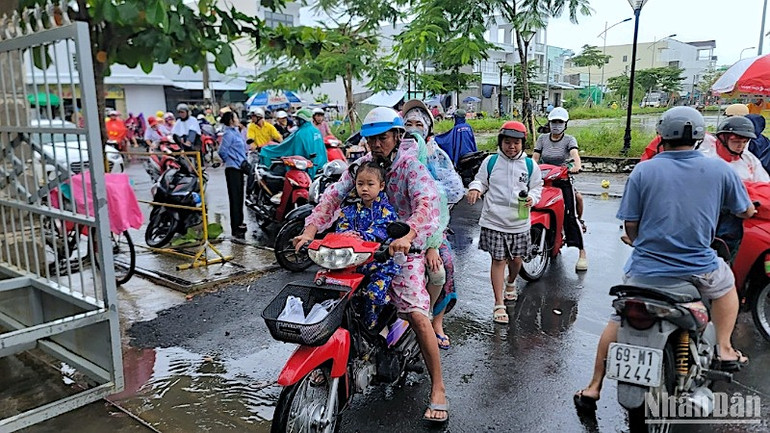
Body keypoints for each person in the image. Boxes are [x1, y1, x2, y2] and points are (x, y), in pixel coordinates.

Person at [574, 106, 756, 414]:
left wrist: (637, 239)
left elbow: (630, 225)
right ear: (700, 137)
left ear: (662, 135)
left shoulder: (644, 170)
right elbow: (744, 210)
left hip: (644, 269)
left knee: (616, 321)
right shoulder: (720, 170)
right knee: (727, 288)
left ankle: (593, 386)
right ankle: (724, 348)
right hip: (698, 266)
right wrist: (748, 210)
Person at [292, 107, 448, 423]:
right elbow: (332, 198)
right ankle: (333, 358)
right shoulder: (359, 168)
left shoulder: (410, 168)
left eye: (383, 137)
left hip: (403, 250)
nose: (377, 144)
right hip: (361, 250)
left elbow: (427, 203)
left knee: (417, 315)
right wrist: (309, 230)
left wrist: (409, 232)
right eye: (371, 139)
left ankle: (439, 389)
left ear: (396, 137)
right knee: (332, 297)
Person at [466, 121, 544, 324]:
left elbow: (537, 187)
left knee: (517, 259)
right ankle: (498, 303)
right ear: (501, 143)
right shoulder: (491, 162)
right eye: (507, 142)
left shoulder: (530, 165)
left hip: (519, 222)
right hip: (494, 221)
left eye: (516, 143)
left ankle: (511, 282)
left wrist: (533, 199)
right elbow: (481, 180)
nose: (511, 147)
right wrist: (475, 188)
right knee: (498, 261)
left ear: (522, 144)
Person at [403, 99, 465, 350]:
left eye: (419, 124)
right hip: (395, 227)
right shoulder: (393, 153)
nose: (413, 129)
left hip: (431, 229)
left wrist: (433, 243)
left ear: (428, 128)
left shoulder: (436, 155)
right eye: (408, 124)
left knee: (443, 266)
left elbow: (448, 194)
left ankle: (435, 321)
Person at [336, 162, 400, 329]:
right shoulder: (350, 209)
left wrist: (360, 236)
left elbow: (381, 230)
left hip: (380, 265)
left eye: (370, 184)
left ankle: (372, 329)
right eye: (360, 184)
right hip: (353, 263)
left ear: (381, 186)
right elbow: (342, 227)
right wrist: (345, 235)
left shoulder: (386, 210)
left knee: (372, 295)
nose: (365, 188)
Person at [533, 107, 588, 271]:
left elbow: (575, 155)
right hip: (543, 180)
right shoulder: (542, 139)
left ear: (565, 124)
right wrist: (529, 168)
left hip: (563, 179)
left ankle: (582, 253)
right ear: (549, 123)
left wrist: (577, 166)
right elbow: (535, 157)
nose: (556, 125)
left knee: (569, 215)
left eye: (560, 122)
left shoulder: (569, 140)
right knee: (534, 206)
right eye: (553, 122)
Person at [258, 108, 327, 177]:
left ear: (302, 120)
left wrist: (267, 149)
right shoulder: (316, 131)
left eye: (297, 119)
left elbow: (285, 147)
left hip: (304, 168)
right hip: (320, 167)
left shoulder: (300, 133)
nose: (296, 121)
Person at [217, 111, 249, 239]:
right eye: (235, 117)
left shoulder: (236, 131)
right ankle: (235, 228)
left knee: (240, 197)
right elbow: (222, 151)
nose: (237, 119)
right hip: (233, 169)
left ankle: (240, 223)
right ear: (231, 120)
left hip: (240, 168)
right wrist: (231, 160)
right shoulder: (228, 134)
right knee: (234, 199)